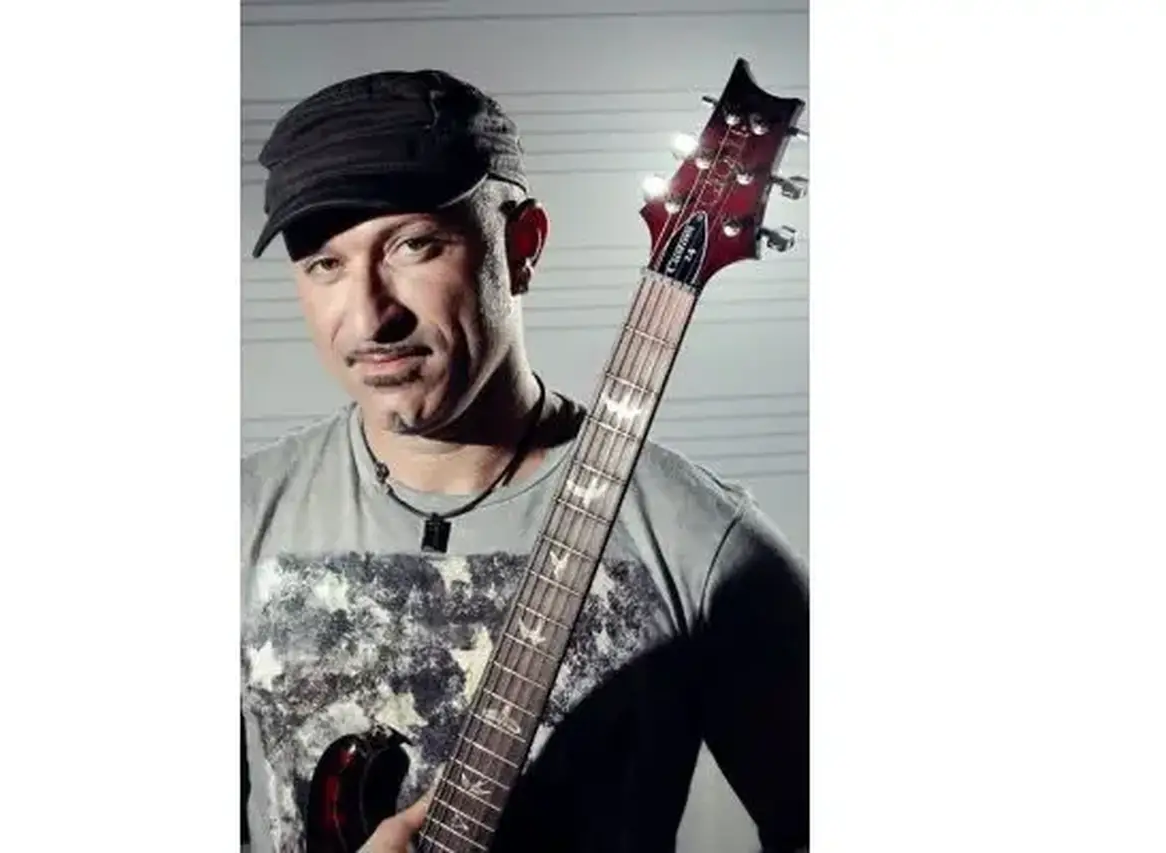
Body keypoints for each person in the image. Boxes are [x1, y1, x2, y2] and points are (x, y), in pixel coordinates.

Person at [240, 69, 809, 853]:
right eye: (324, 264)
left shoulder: (704, 547)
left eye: (413, 244)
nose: (369, 316)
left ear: (523, 246)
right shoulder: (242, 518)